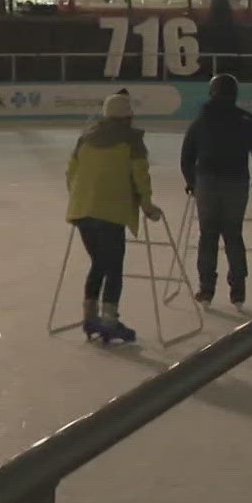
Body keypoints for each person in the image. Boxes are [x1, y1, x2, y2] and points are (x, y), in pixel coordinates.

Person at [66, 92, 164, 343]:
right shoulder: (131, 140)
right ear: (128, 116)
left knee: (99, 263)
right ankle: (109, 320)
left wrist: (80, 198)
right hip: (110, 211)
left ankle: (90, 317)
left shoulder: (85, 138)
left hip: (82, 210)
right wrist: (147, 205)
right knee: (113, 267)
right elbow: (140, 175)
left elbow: (71, 173)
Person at [180, 74, 252, 309]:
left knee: (208, 235)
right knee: (233, 234)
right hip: (236, 182)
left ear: (212, 92)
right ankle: (238, 290)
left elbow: (187, 154)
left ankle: (206, 288)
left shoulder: (203, 120)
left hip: (207, 182)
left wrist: (191, 181)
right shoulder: (246, 120)